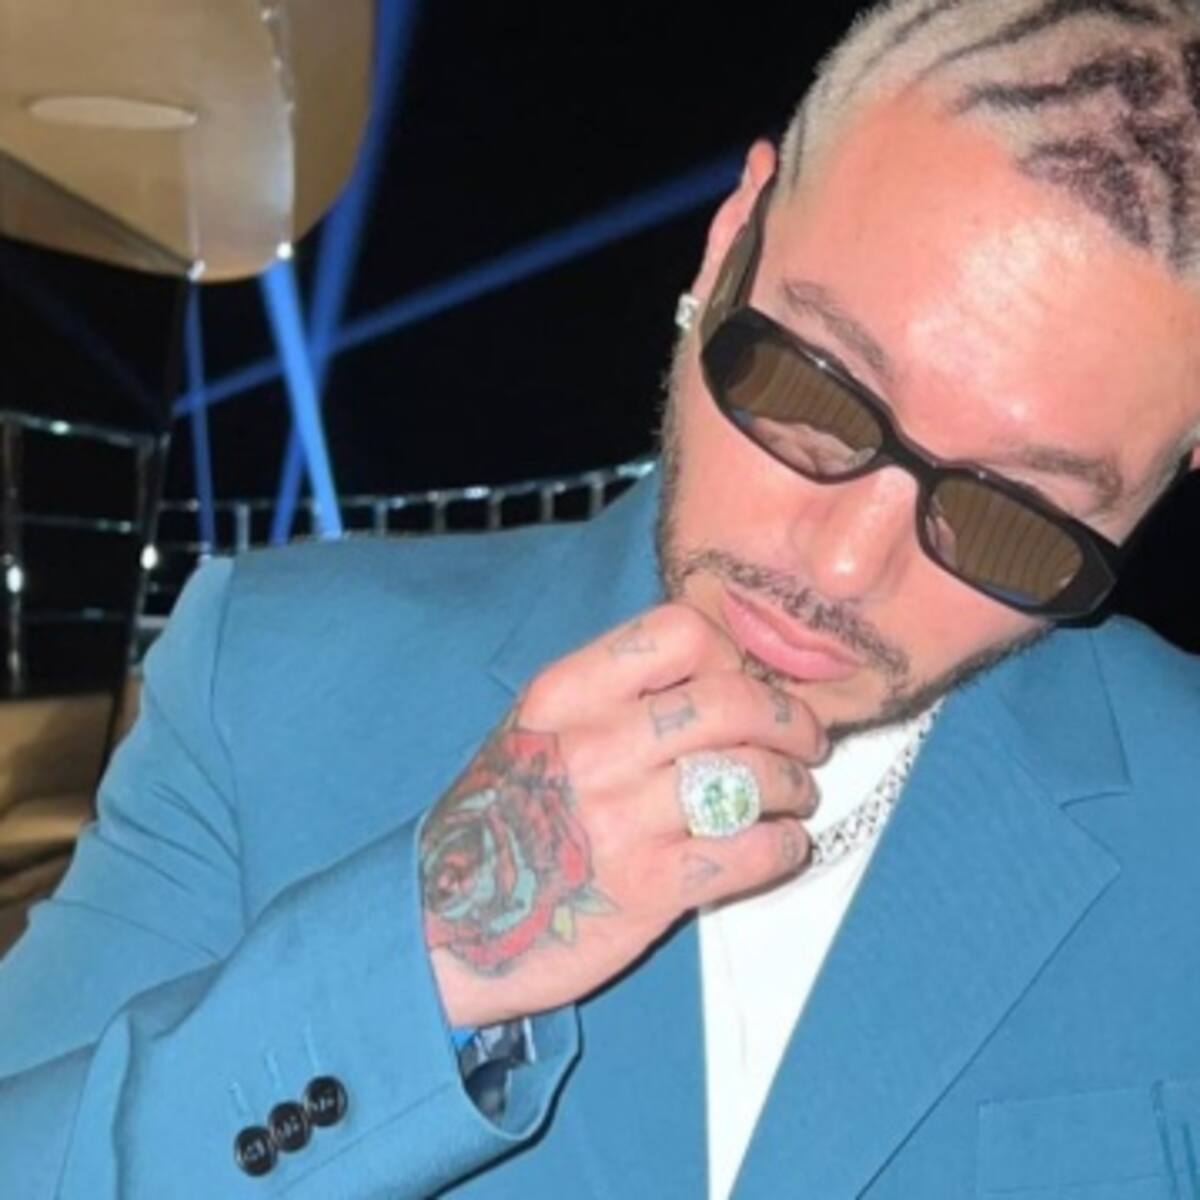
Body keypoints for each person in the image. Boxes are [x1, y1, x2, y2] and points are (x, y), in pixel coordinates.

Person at [5, 0, 1200, 1195]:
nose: (844, 566)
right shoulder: (270, 678)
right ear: (730, 239)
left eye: (1012, 514)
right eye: (817, 389)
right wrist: (428, 956)